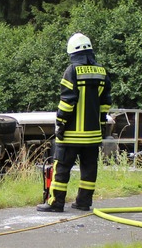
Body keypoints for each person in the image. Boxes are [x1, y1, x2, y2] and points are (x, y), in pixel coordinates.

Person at [37, 32, 111, 212]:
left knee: (62, 168)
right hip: (93, 135)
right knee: (89, 169)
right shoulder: (102, 72)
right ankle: (84, 202)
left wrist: (60, 123)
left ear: (72, 53)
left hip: (71, 134)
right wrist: (101, 124)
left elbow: (67, 101)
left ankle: (56, 203)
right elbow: (105, 103)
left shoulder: (72, 71)